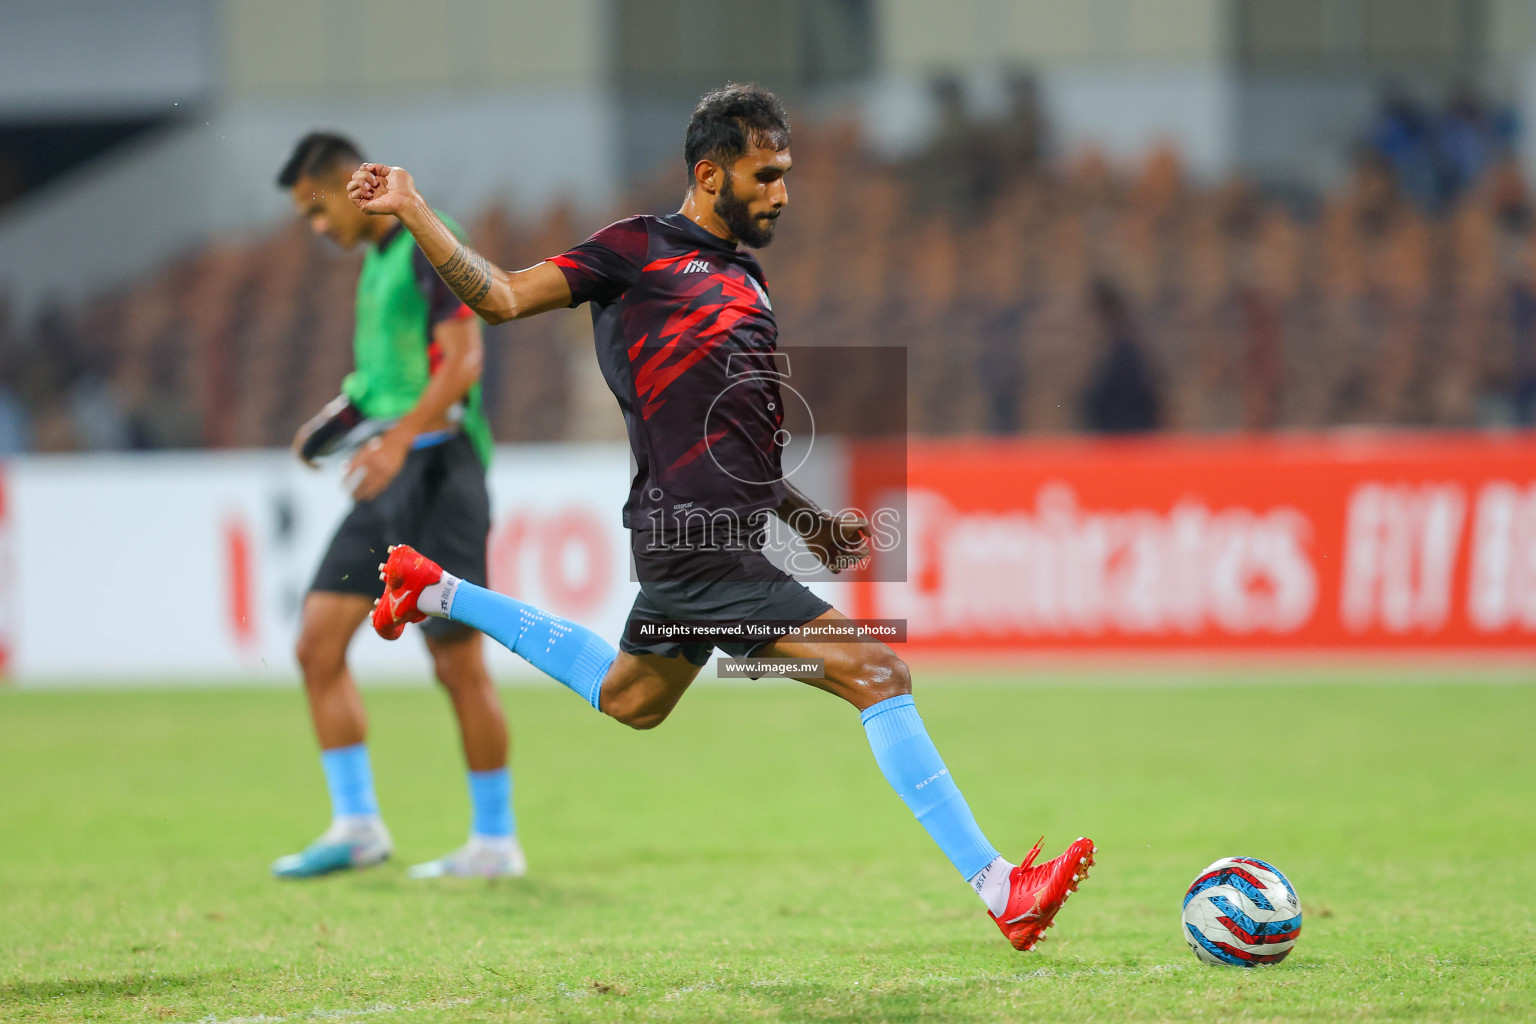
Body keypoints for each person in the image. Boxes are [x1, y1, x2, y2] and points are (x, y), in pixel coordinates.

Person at [347, 85, 1092, 949]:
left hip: (710, 538)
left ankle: (431, 590)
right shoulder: (635, 250)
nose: (783, 192)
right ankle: (1003, 887)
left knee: (633, 698)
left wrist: (808, 523)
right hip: (693, 540)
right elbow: (504, 297)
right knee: (877, 674)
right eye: (765, 173)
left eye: (787, 174)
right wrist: (413, 207)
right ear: (709, 173)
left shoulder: (747, 281)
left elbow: (745, 434)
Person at [272, 132, 523, 880]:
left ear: (344, 186)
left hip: (438, 472)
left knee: (456, 667)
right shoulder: (377, 263)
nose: (317, 230)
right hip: (386, 474)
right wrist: (333, 427)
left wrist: (394, 440)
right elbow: (387, 381)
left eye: (316, 211)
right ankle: (357, 828)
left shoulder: (424, 242)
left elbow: (463, 367)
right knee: (317, 646)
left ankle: (495, 840)